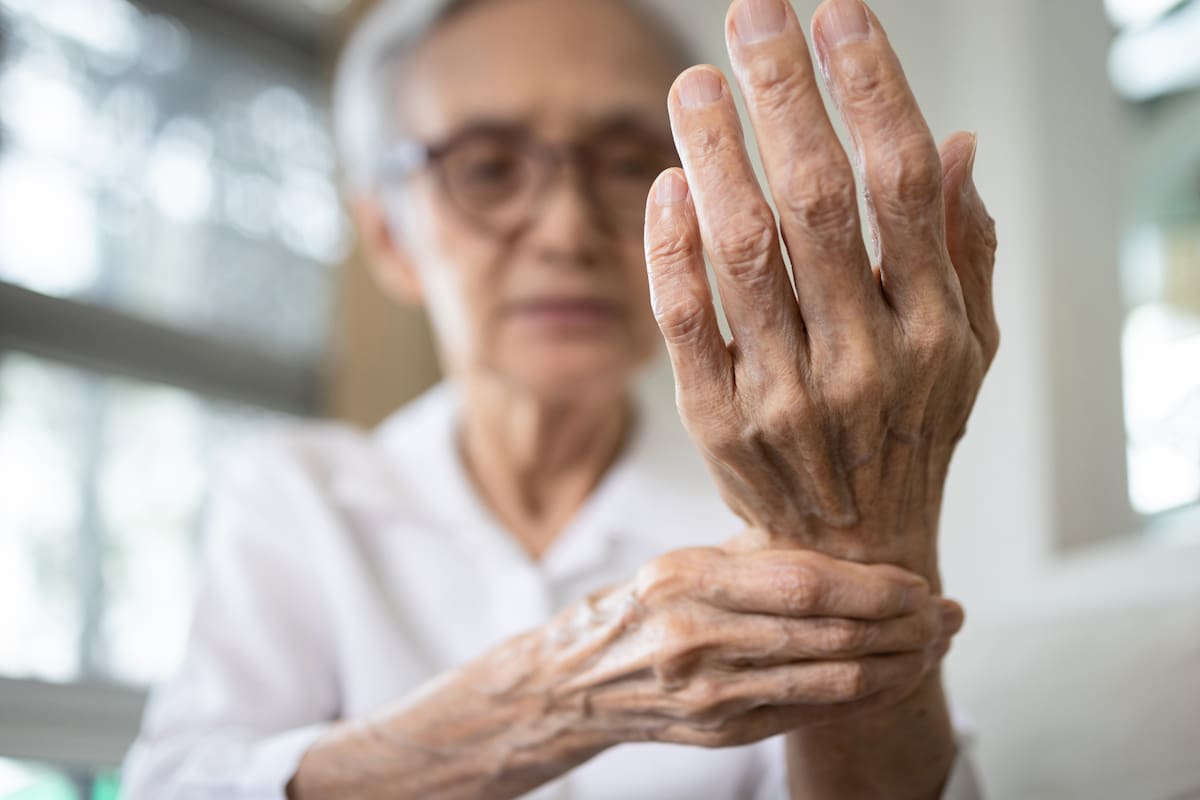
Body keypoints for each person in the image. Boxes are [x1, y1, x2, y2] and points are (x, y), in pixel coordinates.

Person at [122, 0, 998, 796]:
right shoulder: (297, 495)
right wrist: (560, 698)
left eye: (625, 165)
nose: (567, 227)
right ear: (390, 236)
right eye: (489, 166)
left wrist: (860, 539)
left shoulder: (774, 501)